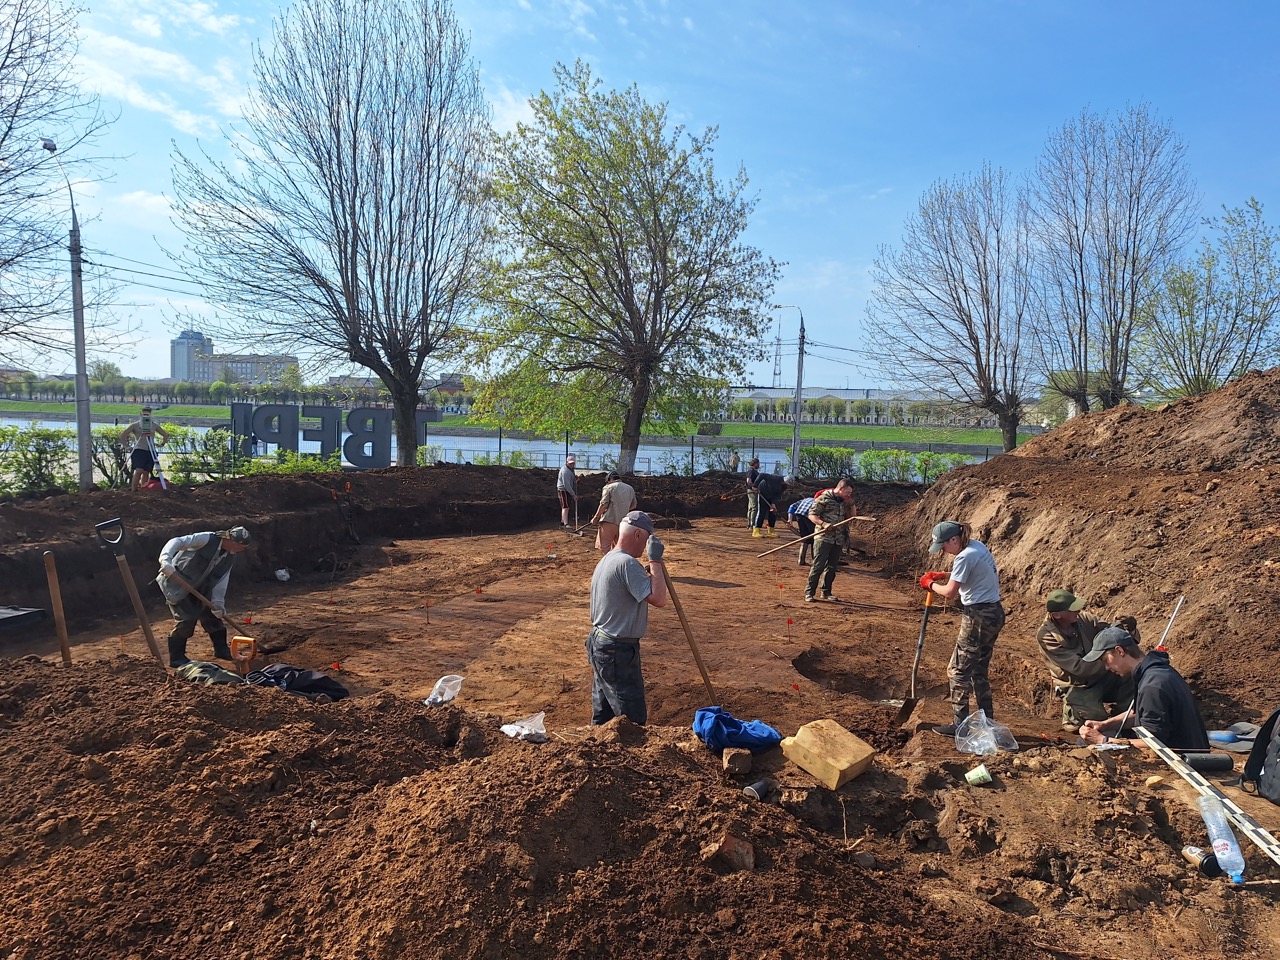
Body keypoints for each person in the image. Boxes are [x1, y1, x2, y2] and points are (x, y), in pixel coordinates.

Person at [922, 520, 1005, 737]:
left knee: (957, 670)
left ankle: (960, 726)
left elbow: (950, 593)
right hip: (994, 612)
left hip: (977, 616)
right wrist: (944, 575)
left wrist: (930, 585)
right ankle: (987, 720)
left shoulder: (964, 556)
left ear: (954, 539)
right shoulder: (977, 546)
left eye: (944, 546)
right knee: (979, 669)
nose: (944, 551)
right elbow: (971, 575)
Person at [586, 510, 668, 725]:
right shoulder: (627, 564)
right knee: (632, 718)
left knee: (604, 714)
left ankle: (599, 751)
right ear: (638, 535)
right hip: (617, 650)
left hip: (601, 642)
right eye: (648, 538)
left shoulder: (609, 559)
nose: (647, 545)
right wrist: (655, 562)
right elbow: (659, 599)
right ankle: (634, 756)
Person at [1077, 626, 1209, 751]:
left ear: (1119, 651)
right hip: (1190, 750)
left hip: (1185, 761)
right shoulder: (1156, 672)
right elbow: (1143, 713)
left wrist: (1103, 740)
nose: (1106, 667)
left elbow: (1155, 743)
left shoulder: (1152, 685)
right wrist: (1104, 725)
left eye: (1105, 660)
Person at [1036, 589, 1137, 733]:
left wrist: (1128, 630)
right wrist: (1110, 661)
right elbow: (1080, 668)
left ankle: (1123, 718)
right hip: (1079, 685)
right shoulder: (1046, 636)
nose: (1078, 610)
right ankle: (1073, 713)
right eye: (1072, 609)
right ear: (1057, 615)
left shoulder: (1084, 619)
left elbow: (1111, 635)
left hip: (1104, 676)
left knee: (1132, 680)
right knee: (1094, 722)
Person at [155, 526, 252, 667]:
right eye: (241, 546)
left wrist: (218, 603)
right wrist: (165, 560)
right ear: (231, 540)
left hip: (200, 588)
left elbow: (221, 580)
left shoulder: (229, 556)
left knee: (213, 616)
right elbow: (177, 541)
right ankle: (176, 658)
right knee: (187, 619)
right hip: (177, 583)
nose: (242, 550)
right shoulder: (207, 538)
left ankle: (221, 650)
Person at [805, 478, 855, 602]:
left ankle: (826, 592)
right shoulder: (824, 498)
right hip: (823, 537)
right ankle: (809, 593)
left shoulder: (844, 501)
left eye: (850, 493)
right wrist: (823, 524)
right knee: (818, 565)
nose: (849, 495)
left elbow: (851, 518)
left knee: (832, 567)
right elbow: (811, 515)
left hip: (838, 538)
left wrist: (852, 504)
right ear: (840, 488)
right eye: (848, 492)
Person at [119, 405, 170, 491]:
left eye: (147, 415)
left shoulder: (154, 425)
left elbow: (165, 434)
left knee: (146, 472)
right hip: (139, 450)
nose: (146, 417)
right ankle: (133, 490)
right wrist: (127, 447)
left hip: (151, 450)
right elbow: (122, 435)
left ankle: (143, 489)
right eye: (144, 415)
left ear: (150, 415)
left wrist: (162, 444)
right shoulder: (135, 425)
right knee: (139, 470)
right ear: (141, 415)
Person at [590, 471, 638, 553]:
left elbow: (603, 504)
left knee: (605, 547)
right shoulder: (630, 488)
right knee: (619, 548)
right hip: (623, 523)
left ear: (609, 479)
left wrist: (595, 518)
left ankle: (608, 564)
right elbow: (634, 505)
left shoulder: (608, 487)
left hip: (609, 521)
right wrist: (623, 509)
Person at [786, 494, 818, 565]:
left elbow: (792, 507)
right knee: (815, 538)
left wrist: (790, 519)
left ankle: (801, 560)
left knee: (805, 538)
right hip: (809, 516)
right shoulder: (819, 501)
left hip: (799, 515)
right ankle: (815, 561)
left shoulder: (804, 500)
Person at [752, 472, 786, 538]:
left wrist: (773, 503)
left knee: (773, 513)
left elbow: (778, 495)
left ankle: (771, 531)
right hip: (762, 493)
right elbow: (762, 475)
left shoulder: (784, 486)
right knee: (762, 512)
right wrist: (755, 486)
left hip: (771, 496)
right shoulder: (774, 478)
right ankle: (756, 531)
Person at [556, 454, 578, 529]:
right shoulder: (565, 471)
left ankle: (562, 523)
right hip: (563, 490)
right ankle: (565, 524)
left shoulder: (571, 469)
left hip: (567, 489)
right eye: (570, 463)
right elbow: (566, 485)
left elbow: (571, 480)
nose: (572, 464)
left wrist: (575, 480)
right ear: (567, 462)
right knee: (565, 507)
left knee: (566, 506)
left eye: (573, 463)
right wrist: (573, 495)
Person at [744, 458, 761, 530]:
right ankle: (752, 524)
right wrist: (753, 487)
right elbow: (748, 481)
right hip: (752, 491)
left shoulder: (753, 471)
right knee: (754, 507)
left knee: (751, 507)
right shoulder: (751, 471)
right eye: (758, 463)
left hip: (752, 490)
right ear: (755, 463)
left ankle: (750, 524)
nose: (759, 465)